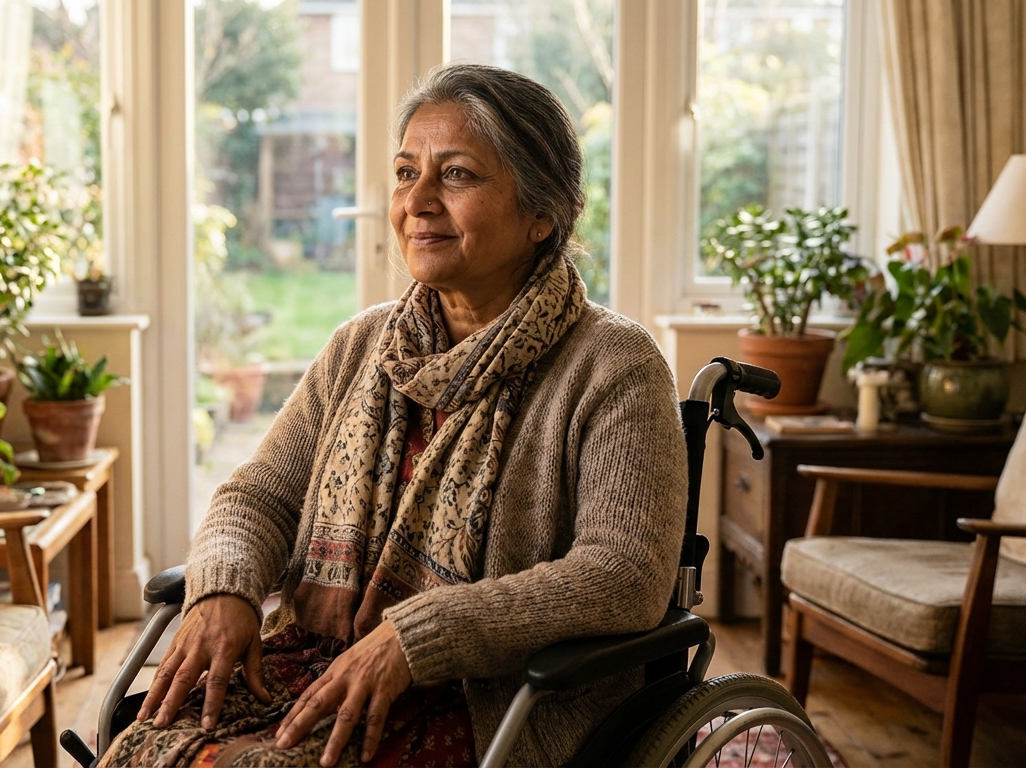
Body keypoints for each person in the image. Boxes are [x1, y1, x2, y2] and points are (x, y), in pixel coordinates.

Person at [102, 62, 687, 768]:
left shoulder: (614, 364)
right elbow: (256, 497)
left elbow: (623, 574)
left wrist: (420, 635)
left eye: (459, 175)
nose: (419, 201)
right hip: (316, 658)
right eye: (407, 172)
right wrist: (223, 588)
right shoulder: (361, 345)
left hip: (492, 699)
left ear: (543, 213)